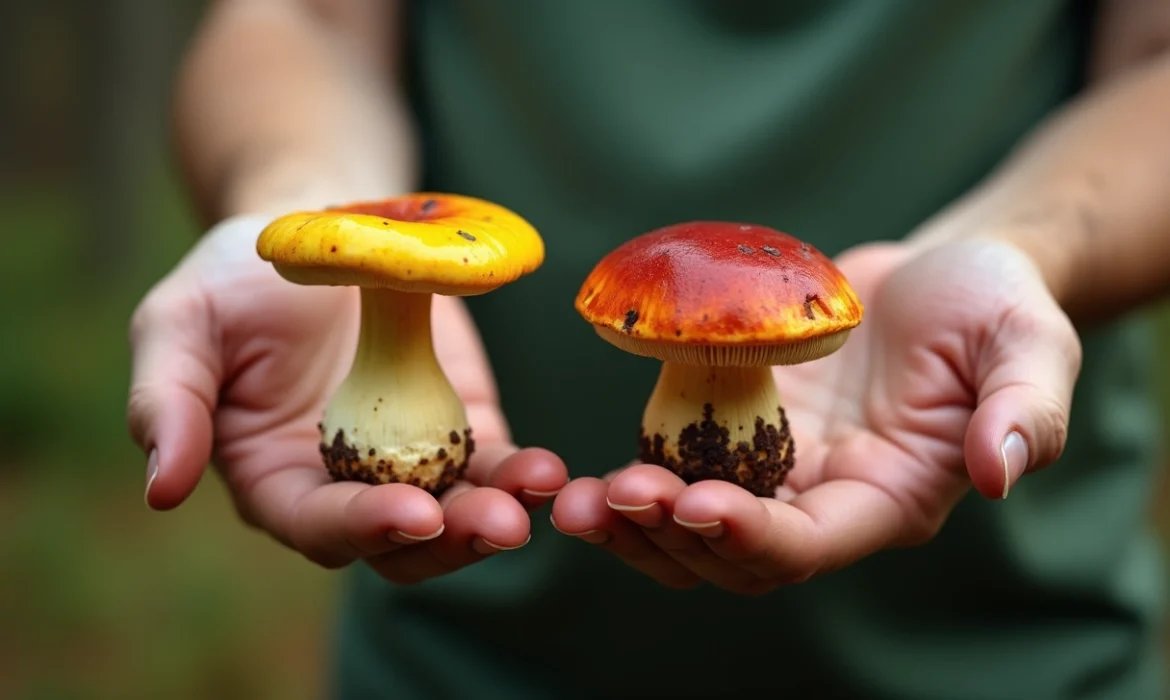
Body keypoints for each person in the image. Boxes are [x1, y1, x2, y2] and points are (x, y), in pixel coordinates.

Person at [128, 1, 1170, 697]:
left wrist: (1029, 245)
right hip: (461, 661)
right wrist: (287, 203)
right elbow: (299, 16)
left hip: (1011, 657)